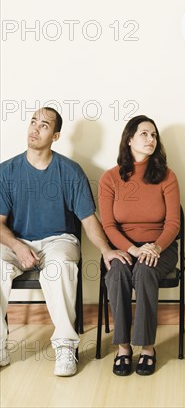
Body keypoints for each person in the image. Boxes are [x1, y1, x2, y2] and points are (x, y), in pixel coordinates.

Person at [0, 107, 128, 376]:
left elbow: (88, 219)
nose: (35, 128)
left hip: (59, 239)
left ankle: (65, 347)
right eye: (33, 121)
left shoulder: (70, 171)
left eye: (44, 125)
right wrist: (17, 246)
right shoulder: (7, 171)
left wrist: (106, 250)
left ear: (56, 136)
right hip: (17, 241)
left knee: (60, 266)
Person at [98, 115, 180, 376]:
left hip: (161, 248)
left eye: (154, 135)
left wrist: (154, 247)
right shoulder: (110, 178)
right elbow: (109, 226)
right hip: (123, 247)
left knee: (144, 271)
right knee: (118, 272)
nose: (151, 139)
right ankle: (123, 347)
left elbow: (173, 223)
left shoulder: (167, 176)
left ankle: (147, 347)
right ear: (130, 139)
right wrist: (132, 250)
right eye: (144, 134)